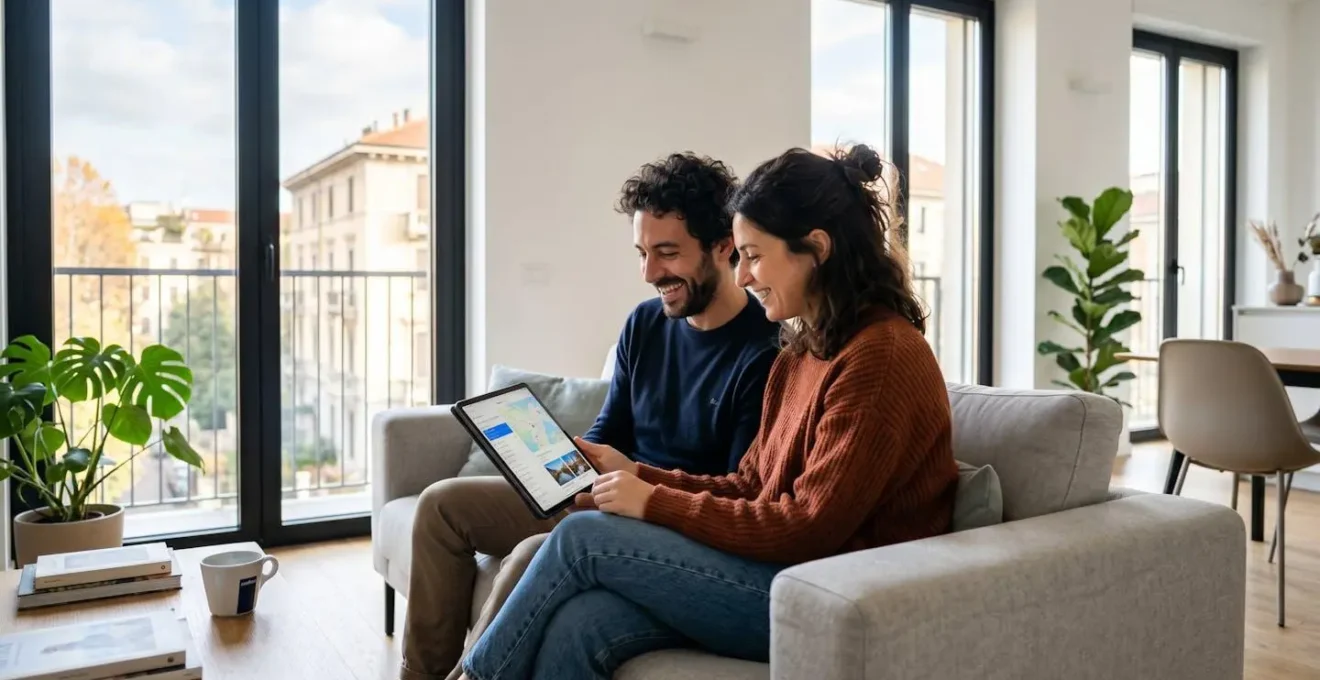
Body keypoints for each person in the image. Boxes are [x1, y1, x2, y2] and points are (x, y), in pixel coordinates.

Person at [458, 144, 960, 680]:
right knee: (586, 621)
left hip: (834, 596)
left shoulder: (881, 356)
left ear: (815, 249)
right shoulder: (800, 353)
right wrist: (634, 473)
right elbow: (750, 485)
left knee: (582, 539)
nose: (742, 276)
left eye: (754, 255)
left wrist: (652, 502)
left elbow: (810, 526)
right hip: (788, 573)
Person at [400, 152, 782, 680]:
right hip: (602, 494)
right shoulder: (645, 325)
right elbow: (612, 427)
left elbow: (738, 491)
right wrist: (569, 456)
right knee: (441, 506)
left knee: (535, 551)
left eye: (667, 253)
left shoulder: (764, 354)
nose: (650, 273)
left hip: (663, 519)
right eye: (642, 253)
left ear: (723, 247)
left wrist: (634, 482)